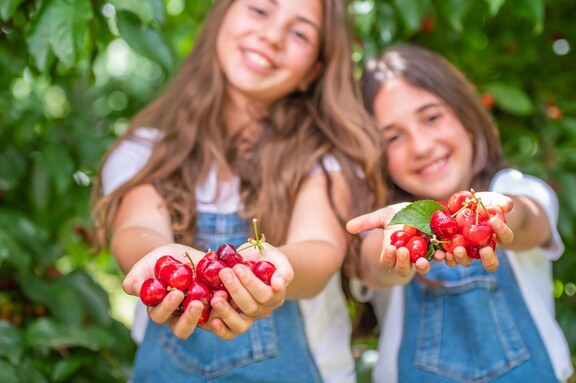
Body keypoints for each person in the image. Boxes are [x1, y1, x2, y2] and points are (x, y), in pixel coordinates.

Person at [91, 1, 386, 382]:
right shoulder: (147, 151)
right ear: (220, 17)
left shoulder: (324, 160)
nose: (272, 35)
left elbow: (319, 247)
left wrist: (274, 270)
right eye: (260, 10)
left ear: (312, 72)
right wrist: (160, 257)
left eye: (299, 33)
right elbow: (137, 228)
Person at [346, 44, 573, 382]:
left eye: (432, 117)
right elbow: (374, 264)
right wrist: (401, 241)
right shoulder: (386, 222)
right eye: (393, 137)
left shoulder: (514, 187)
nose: (421, 146)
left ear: (467, 118)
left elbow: (527, 217)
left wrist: (488, 215)